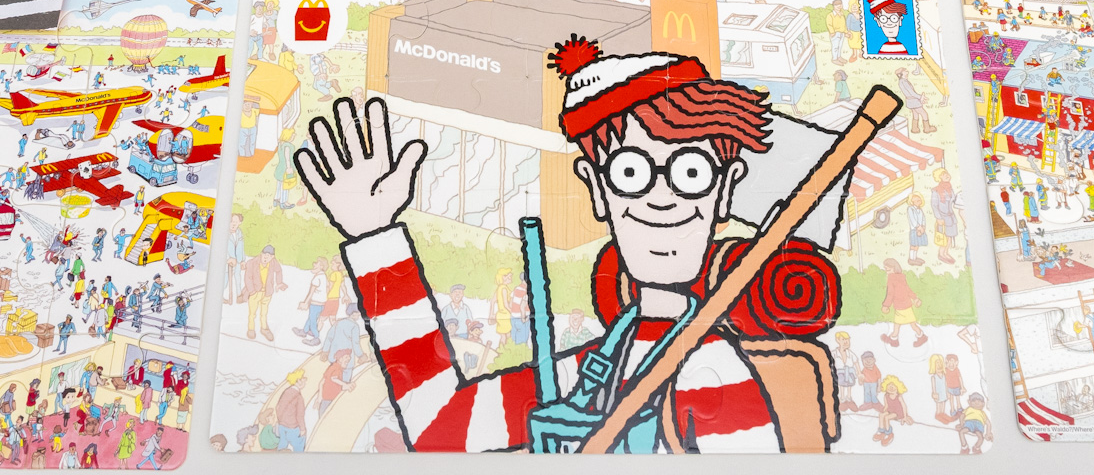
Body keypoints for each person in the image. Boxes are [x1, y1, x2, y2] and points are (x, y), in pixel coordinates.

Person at [295, 37, 854, 453]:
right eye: (632, 172)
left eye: (690, 172)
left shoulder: (712, 371)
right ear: (598, 190)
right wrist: (374, 238)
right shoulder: (599, 365)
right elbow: (443, 426)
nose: (662, 199)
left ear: (725, 189)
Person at [880, 257, 928, 347]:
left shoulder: (891, 278)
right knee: (911, 324)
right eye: (885, 269)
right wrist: (915, 298)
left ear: (894, 268)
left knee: (898, 325)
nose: (886, 271)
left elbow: (890, 293)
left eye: (888, 269)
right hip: (907, 305)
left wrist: (886, 305)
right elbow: (907, 289)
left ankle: (894, 340)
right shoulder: (901, 277)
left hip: (900, 306)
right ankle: (921, 336)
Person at [243, 244, 286, 342]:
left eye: (269, 256)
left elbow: (279, 271)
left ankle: (264, 329)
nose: (266, 258)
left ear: (272, 257)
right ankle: (251, 329)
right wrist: (252, 291)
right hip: (255, 292)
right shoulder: (252, 263)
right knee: (252, 313)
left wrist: (279, 283)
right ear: (261, 254)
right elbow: (248, 278)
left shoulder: (273, 263)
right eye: (265, 255)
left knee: (264, 312)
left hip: (267, 292)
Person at [275, 371, 307, 452]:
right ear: (298, 381)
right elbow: (300, 415)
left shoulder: (286, 392)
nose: (305, 382)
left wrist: (280, 421)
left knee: (282, 444)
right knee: (299, 444)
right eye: (303, 379)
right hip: (293, 427)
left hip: (282, 426)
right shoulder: (298, 397)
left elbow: (278, 407)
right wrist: (302, 429)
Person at [833, 332, 860, 412]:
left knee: (849, 385)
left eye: (847, 340)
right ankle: (842, 399)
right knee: (841, 385)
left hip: (849, 373)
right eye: (843, 339)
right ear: (838, 340)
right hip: (840, 374)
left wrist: (859, 373)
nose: (846, 342)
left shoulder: (850, 353)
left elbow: (856, 362)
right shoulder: (834, 353)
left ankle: (849, 399)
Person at [226, 213, 246, 304]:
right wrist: (228, 258)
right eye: (231, 221)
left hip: (237, 260)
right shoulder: (225, 233)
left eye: (236, 222)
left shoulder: (239, 233)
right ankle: (224, 297)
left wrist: (242, 260)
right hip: (228, 262)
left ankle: (239, 296)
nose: (233, 224)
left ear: (239, 223)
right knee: (226, 279)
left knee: (238, 278)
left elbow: (241, 247)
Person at [907, 194, 928, 266]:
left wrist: (923, 227)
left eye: (919, 200)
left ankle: (915, 257)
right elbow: (912, 220)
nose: (919, 202)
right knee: (913, 244)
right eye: (917, 201)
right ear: (912, 202)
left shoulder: (920, 209)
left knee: (917, 244)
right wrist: (918, 227)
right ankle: (911, 259)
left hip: (921, 229)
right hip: (914, 230)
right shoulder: (910, 209)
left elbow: (923, 219)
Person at [825, 0, 848, 65]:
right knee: (835, 47)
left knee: (840, 46)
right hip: (835, 33)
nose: (839, 6)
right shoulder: (830, 15)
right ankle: (834, 59)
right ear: (833, 6)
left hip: (842, 33)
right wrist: (832, 32)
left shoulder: (842, 14)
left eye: (840, 4)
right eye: (836, 5)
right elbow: (829, 24)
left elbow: (844, 24)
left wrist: (846, 32)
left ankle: (839, 57)